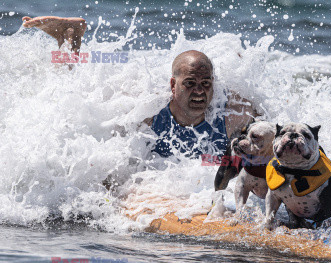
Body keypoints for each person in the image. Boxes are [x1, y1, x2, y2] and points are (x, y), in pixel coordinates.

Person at [21, 16, 257, 158]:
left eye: (206, 84)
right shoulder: (149, 111)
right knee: (72, 102)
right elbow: (88, 123)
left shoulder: (231, 115)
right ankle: (70, 38)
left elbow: (266, 126)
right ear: (173, 86)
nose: (199, 91)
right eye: (190, 84)